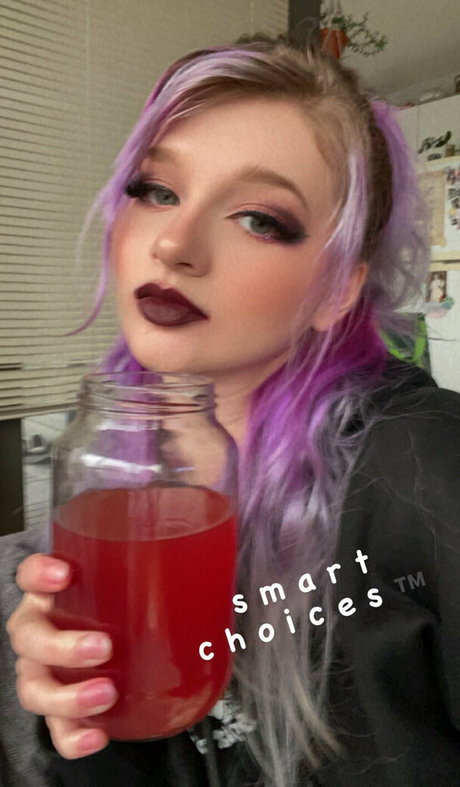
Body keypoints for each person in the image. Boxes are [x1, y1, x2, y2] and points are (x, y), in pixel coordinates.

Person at [2, 33, 460, 787]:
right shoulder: (119, 459)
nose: (174, 243)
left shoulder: (430, 462)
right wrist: (73, 720)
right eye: (157, 190)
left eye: (258, 218)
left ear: (338, 287)